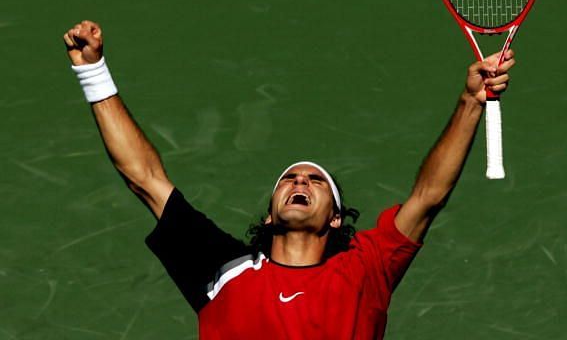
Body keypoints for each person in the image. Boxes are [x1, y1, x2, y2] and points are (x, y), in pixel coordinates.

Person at [63, 20, 514, 339]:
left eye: (316, 182)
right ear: (271, 211)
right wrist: (92, 72)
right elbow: (144, 177)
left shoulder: (365, 266)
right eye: (290, 179)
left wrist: (470, 102)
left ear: (336, 219)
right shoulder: (223, 269)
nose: (300, 182)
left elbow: (428, 195)